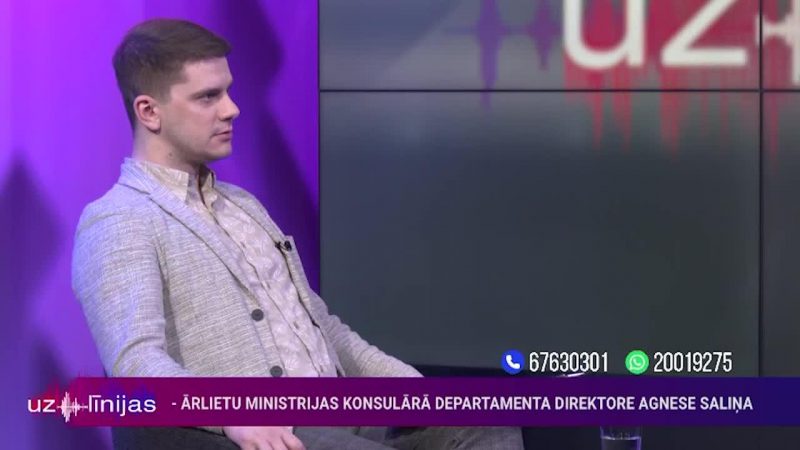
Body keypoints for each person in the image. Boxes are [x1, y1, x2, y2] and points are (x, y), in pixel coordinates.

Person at [72, 18, 523, 450]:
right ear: (149, 112)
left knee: (480, 420)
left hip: (346, 414)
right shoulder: (119, 219)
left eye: (227, 91)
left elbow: (322, 327)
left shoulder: (243, 206)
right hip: (273, 431)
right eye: (208, 97)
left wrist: (415, 389)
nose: (232, 109)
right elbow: (135, 365)